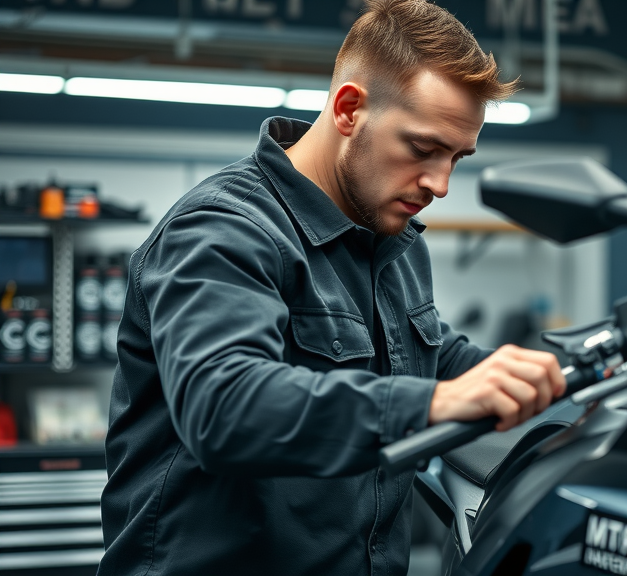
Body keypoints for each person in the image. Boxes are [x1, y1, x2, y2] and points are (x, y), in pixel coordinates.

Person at [97, 1, 566, 574]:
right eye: (422, 149)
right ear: (349, 110)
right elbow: (226, 408)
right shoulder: (223, 230)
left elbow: (427, 357)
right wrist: (438, 404)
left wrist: (568, 388)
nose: (440, 184)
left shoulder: (394, 240)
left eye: (456, 158)